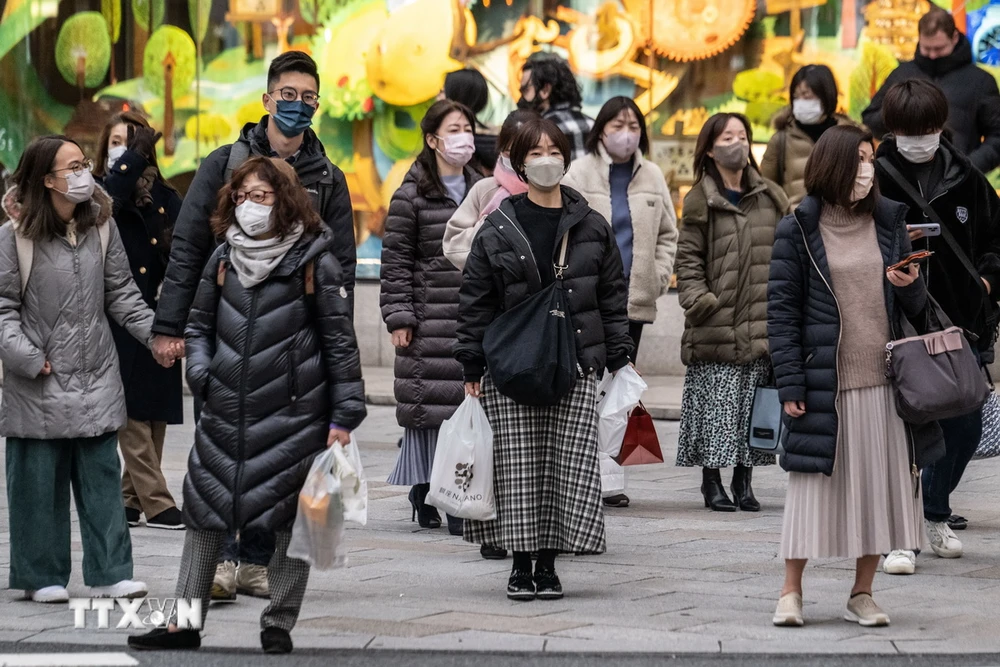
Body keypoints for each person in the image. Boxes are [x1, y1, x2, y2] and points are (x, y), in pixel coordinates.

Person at [127, 157, 366, 654]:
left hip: (294, 416)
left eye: (261, 196)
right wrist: (202, 374)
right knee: (204, 515)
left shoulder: (314, 261)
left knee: (284, 522)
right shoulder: (222, 259)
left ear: (286, 199)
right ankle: (183, 623)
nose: (249, 206)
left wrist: (345, 416)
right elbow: (196, 326)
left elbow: (340, 343)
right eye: (241, 196)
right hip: (225, 411)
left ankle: (278, 622)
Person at [152, 51, 356, 602]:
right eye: (286, 95)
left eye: (307, 98)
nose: (296, 106)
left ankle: (257, 561)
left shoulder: (328, 178)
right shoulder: (223, 164)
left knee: (280, 460)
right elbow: (189, 246)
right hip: (226, 335)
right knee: (219, 457)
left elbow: (342, 268)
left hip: (292, 348)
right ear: (267, 100)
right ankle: (215, 562)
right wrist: (172, 327)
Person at [768, 125, 942, 627]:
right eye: (860, 159)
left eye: (871, 158)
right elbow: (781, 312)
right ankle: (791, 590)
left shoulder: (889, 222)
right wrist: (790, 386)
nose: (868, 168)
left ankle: (862, 593)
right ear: (834, 165)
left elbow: (915, 306)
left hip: (885, 381)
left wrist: (908, 286)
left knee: (879, 490)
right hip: (826, 381)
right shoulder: (797, 228)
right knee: (810, 490)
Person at [455, 117, 633, 601]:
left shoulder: (590, 223)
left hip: (574, 362)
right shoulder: (498, 225)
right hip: (510, 364)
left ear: (566, 157)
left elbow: (612, 295)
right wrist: (471, 364)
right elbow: (475, 299)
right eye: (535, 152)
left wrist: (618, 355)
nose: (546, 160)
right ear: (517, 161)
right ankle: (519, 564)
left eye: (554, 150)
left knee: (565, 466)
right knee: (516, 466)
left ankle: (549, 565)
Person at [0, 135, 163, 603]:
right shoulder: (15, 237)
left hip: (96, 375)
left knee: (102, 483)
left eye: (83, 164)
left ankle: (112, 571)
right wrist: (28, 358)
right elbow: (3, 309)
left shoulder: (101, 228)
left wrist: (160, 337)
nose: (83, 174)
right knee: (37, 484)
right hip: (39, 378)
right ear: (46, 180)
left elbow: (123, 295)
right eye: (71, 167)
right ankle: (39, 575)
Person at [874, 79, 1000, 573]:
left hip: (958, 321)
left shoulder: (965, 174)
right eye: (908, 130)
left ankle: (934, 510)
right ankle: (899, 532)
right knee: (899, 425)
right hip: (891, 317)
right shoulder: (873, 174)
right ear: (893, 129)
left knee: (966, 419)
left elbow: (994, 235)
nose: (918, 140)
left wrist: (988, 283)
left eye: (926, 129)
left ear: (940, 126)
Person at [562, 96, 679, 508]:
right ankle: (580, 473)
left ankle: (610, 478)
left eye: (632, 124)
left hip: (632, 301)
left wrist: (658, 277)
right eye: (616, 123)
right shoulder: (579, 171)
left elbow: (668, 234)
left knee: (621, 389)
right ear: (601, 128)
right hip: (587, 300)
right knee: (588, 387)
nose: (625, 132)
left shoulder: (652, 175)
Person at [674, 113, 788, 513]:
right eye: (727, 136)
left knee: (753, 406)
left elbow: (787, 256)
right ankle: (712, 481)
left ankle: (745, 479)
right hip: (716, 323)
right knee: (717, 406)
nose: (736, 142)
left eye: (742, 134)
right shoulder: (699, 198)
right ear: (709, 147)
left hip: (760, 320)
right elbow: (687, 260)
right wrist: (701, 301)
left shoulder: (772, 196)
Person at [380, 100, 480, 536]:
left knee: (466, 407)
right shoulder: (411, 195)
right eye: (453, 129)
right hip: (426, 317)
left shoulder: (486, 188)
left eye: (467, 128)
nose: (463, 136)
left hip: (473, 317)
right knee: (429, 410)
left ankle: (459, 494)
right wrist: (400, 316)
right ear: (432, 139)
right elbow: (396, 260)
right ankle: (424, 489)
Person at [94, 112, 184, 531]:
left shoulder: (165, 196)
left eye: (133, 142)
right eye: (116, 141)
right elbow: (112, 196)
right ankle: (158, 502)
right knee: (128, 411)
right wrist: (129, 160)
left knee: (155, 410)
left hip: (161, 313)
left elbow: (186, 248)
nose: (125, 150)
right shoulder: (96, 194)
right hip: (115, 317)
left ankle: (129, 500)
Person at [862, 8, 1000, 174]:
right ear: (919, 39)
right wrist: (898, 112)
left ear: (954, 37)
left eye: (939, 48)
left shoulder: (981, 81)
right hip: (903, 177)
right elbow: (870, 119)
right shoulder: (901, 74)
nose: (933, 55)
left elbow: (997, 135)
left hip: (959, 180)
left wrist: (970, 167)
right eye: (927, 49)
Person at [443, 108, 537, 273]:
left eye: (526, 152)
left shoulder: (561, 188)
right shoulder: (485, 189)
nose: (518, 160)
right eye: (510, 153)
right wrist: (491, 227)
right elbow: (453, 244)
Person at [761, 65, 854, 207]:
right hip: (796, 222)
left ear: (825, 95)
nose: (800, 102)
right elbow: (767, 189)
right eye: (796, 97)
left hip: (841, 222)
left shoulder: (850, 136)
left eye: (806, 95)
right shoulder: (781, 139)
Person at [517, 53, 593, 161]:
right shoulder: (594, 125)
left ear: (545, 90)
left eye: (525, 90)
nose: (521, 98)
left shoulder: (537, 133)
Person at [441, 68, 499, 173]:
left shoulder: (453, 144)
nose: (438, 97)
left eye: (442, 92)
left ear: (456, 97)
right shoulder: (497, 139)